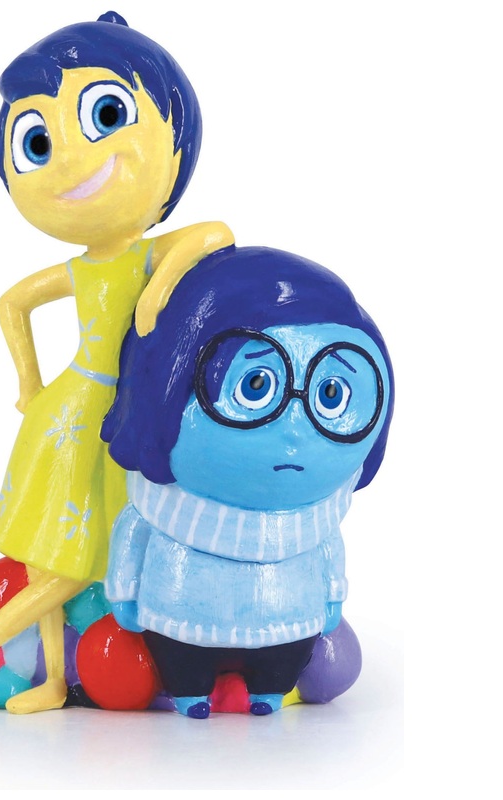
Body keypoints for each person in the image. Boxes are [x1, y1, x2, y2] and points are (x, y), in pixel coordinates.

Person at [0, 11, 233, 714]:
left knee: (73, 554)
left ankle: (54, 677)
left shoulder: (140, 255)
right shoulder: (84, 269)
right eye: (39, 142)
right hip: (74, 419)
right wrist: (29, 384)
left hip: (109, 417)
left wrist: (160, 286)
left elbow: (215, 234)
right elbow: (11, 303)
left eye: (104, 115)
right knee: (62, 562)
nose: (68, 159)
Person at [101, 245, 394, 718]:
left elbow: (329, 554)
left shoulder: (316, 522)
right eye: (256, 386)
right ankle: (189, 692)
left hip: (289, 619)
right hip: (179, 614)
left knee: (282, 659)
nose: (295, 427)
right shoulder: (160, 511)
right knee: (182, 656)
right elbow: (132, 537)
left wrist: (332, 598)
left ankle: (270, 690)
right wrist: (124, 593)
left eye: (331, 394)